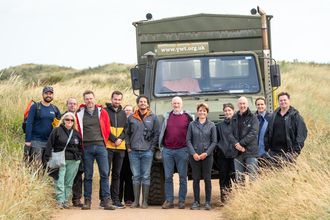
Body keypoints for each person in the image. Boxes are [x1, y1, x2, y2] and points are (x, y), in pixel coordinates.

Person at [76, 90, 116, 210]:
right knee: (88, 175)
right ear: (84, 101)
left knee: (104, 174)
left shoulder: (102, 112)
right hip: (86, 148)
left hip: (101, 147)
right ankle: (87, 200)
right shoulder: (80, 113)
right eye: (87, 99)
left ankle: (106, 200)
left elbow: (107, 127)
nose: (89, 100)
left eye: (91, 98)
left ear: (94, 99)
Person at [126, 95, 160, 209]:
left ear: (148, 104)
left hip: (147, 151)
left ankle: (144, 201)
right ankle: (136, 201)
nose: (143, 103)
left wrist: (152, 148)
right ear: (137, 104)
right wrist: (128, 147)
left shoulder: (154, 117)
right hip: (133, 151)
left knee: (145, 176)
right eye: (141, 102)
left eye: (144, 102)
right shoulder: (131, 117)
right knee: (136, 176)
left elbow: (156, 134)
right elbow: (127, 133)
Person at [159, 97, 193, 209]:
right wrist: (161, 148)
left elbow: (192, 134)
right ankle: (169, 201)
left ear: (182, 104)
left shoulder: (188, 117)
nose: (177, 105)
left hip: (182, 150)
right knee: (168, 177)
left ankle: (182, 200)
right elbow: (161, 132)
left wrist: (190, 150)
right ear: (171, 104)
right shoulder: (166, 117)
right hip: (168, 150)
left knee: (183, 177)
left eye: (178, 103)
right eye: (175, 103)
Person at [44, 112, 82, 209]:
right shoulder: (57, 131)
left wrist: (79, 158)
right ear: (63, 120)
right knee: (59, 180)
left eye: (72, 120)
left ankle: (65, 200)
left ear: (74, 122)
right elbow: (49, 144)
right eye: (67, 119)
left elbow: (80, 147)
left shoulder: (76, 133)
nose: (69, 121)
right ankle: (59, 201)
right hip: (60, 160)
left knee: (69, 182)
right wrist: (47, 158)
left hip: (73, 160)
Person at [99, 91, 128, 209]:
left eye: (119, 99)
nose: (117, 101)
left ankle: (115, 199)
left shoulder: (123, 113)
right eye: (115, 99)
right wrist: (113, 139)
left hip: (120, 147)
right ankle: (104, 199)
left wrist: (119, 139)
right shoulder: (104, 111)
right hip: (108, 146)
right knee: (105, 173)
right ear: (111, 99)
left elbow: (126, 129)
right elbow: (103, 127)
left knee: (117, 174)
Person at [186, 102, 217, 211]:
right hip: (195, 157)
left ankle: (207, 202)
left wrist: (206, 153)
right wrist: (193, 153)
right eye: (200, 110)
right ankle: (196, 202)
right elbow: (188, 140)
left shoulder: (212, 125)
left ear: (207, 112)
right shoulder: (191, 124)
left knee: (207, 179)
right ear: (197, 112)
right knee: (196, 179)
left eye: (204, 110)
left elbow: (214, 142)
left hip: (207, 157)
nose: (202, 112)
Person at [264, 92, 308, 165]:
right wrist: (268, 148)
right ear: (278, 102)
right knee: (274, 175)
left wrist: (295, 151)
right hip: (274, 153)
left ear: (289, 101)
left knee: (288, 175)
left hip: (289, 153)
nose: (283, 102)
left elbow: (302, 133)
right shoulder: (273, 116)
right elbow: (267, 132)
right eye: (281, 100)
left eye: (285, 100)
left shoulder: (295, 116)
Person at [25, 86, 60, 164]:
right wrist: (27, 141)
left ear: (53, 95)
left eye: (50, 94)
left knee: (47, 166)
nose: (48, 95)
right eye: (46, 93)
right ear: (42, 94)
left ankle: (42, 176)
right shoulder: (35, 107)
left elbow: (60, 123)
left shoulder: (55, 109)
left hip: (49, 142)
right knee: (35, 165)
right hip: (36, 141)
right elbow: (29, 124)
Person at [228, 97, 259, 184]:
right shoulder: (234, 118)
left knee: (253, 178)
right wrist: (237, 145)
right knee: (239, 179)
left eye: (244, 103)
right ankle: (241, 197)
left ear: (247, 104)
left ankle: (254, 197)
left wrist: (241, 144)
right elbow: (229, 134)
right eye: (240, 104)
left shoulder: (253, 117)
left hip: (250, 152)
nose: (242, 105)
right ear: (237, 105)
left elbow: (253, 132)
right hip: (237, 153)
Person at [216, 103, 236, 205]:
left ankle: (238, 200)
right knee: (224, 178)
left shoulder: (237, 123)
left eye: (229, 110)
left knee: (236, 178)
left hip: (235, 155)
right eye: (226, 111)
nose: (227, 112)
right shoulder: (219, 125)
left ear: (233, 111)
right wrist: (220, 148)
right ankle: (225, 200)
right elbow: (217, 139)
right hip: (222, 156)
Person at [119, 104, 134, 206]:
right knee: (119, 175)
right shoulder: (120, 120)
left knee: (130, 175)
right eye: (126, 110)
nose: (128, 112)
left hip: (131, 150)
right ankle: (117, 198)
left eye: (130, 110)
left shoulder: (134, 121)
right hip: (119, 150)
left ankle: (129, 198)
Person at [255, 97, 270, 166]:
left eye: (262, 104)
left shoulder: (270, 118)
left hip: (266, 153)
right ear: (255, 106)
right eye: (258, 104)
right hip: (254, 154)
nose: (260, 106)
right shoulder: (252, 118)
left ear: (265, 105)